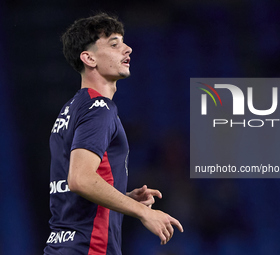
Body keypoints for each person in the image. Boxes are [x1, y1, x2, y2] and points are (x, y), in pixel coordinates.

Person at [44, 13, 183, 255]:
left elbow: (72, 186)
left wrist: (125, 198)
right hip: (89, 249)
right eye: (114, 44)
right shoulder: (100, 109)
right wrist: (143, 212)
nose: (127, 49)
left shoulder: (71, 109)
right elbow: (80, 179)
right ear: (89, 58)